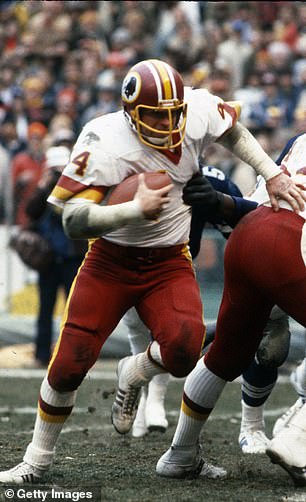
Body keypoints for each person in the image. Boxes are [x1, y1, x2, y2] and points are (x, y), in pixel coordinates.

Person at [0, 58, 304, 485]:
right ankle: (36, 461)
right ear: (130, 113)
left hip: (168, 260)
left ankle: (134, 370)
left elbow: (232, 129)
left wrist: (270, 173)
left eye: (173, 112)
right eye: (155, 114)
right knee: (69, 363)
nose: (168, 122)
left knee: (185, 349)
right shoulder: (104, 139)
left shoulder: (195, 109)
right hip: (109, 260)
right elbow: (72, 218)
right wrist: (129, 210)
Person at [156, 131, 306, 486]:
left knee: (225, 355)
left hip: (250, 231)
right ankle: (295, 436)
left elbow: (263, 196)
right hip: (291, 243)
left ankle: (180, 454)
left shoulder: (301, 139)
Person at [25, 145, 87, 366]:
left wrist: (67, 184)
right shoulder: (44, 189)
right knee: (45, 310)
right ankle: (41, 355)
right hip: (49, 260)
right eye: (54, 170)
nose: (57, 174)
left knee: (74, 311)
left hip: (72, 257)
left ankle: (73, 355)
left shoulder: (77, 188)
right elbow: (30, 212)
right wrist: (43, 187)